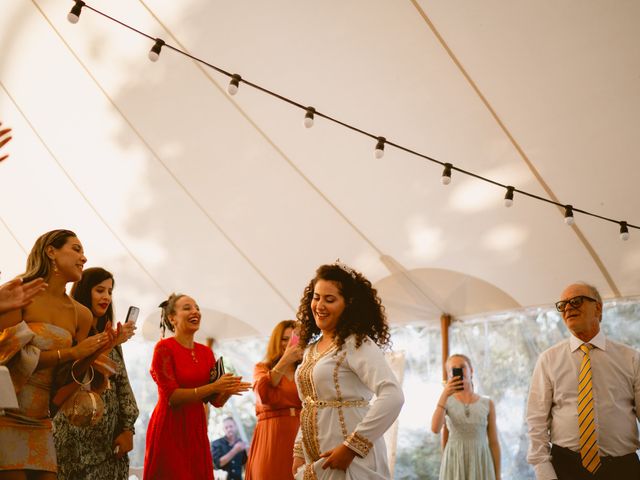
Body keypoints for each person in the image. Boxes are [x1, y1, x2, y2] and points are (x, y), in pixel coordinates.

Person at [0, 229, 112, 479]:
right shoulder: (18, 294)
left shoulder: (80, 314)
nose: (84, 258)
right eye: (76, 249)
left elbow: (67, 377)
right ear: (51, 251)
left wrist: (95, 352)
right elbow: (10, 359)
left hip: (41, 419)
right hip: (6, 415)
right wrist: (72, 351)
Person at [291, 262, 404, 480]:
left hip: (351, 461)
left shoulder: (356, 343)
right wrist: (299, 450)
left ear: (348, 303)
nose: (320, 305)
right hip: (316, 461)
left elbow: (393, 395)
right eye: (316, 297)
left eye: (329, 299)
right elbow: (310, 404)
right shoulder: (310, 350)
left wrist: (351, 447)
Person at [527, 282, 640, 479]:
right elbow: (536, 422)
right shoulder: (548, 360)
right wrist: (544, 472)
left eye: (576, 301)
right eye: (562, 305)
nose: (568, 308)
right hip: (566, 468)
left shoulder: (630, 358)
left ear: (598, 307)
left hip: (623, 469)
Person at [143, 293, 252, 480]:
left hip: (196, 429)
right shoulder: (164, 349)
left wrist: (227, 390)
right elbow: (172, 397)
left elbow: (214, 401)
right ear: (172, 318)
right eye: (187, 308)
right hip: (171, 428)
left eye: (197, 308)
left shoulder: (206, 352)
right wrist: (213, 387)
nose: (195, 312)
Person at [53, 267, 139, 479]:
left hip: (109, 444)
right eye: (100, 290)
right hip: (73, 442)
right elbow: (72, 377)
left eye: (110, 292)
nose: (106, 297)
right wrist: (109, 345)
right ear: (84, 291)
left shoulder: (109, 336)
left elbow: (122, 385)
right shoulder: (69, 335)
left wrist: (128, 429)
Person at [245, 320, 303, 480]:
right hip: (271, 437)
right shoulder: (262, 368)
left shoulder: (305, 370)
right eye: (285, 339)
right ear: (276, 341)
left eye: (295, 338)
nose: (290, 343)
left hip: (301, 434)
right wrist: (285, 361)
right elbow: (263, 395)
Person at [430, 354, 500, 479]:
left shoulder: (487, 403)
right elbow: (435, 429)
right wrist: (444, 394)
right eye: (453, 369)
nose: (459, 370)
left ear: (471, 370)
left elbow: (494, 443)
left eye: (462, 367)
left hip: (481, 461)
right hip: (454, 462)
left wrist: (498, 475)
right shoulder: (446, 401)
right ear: (449, 375)